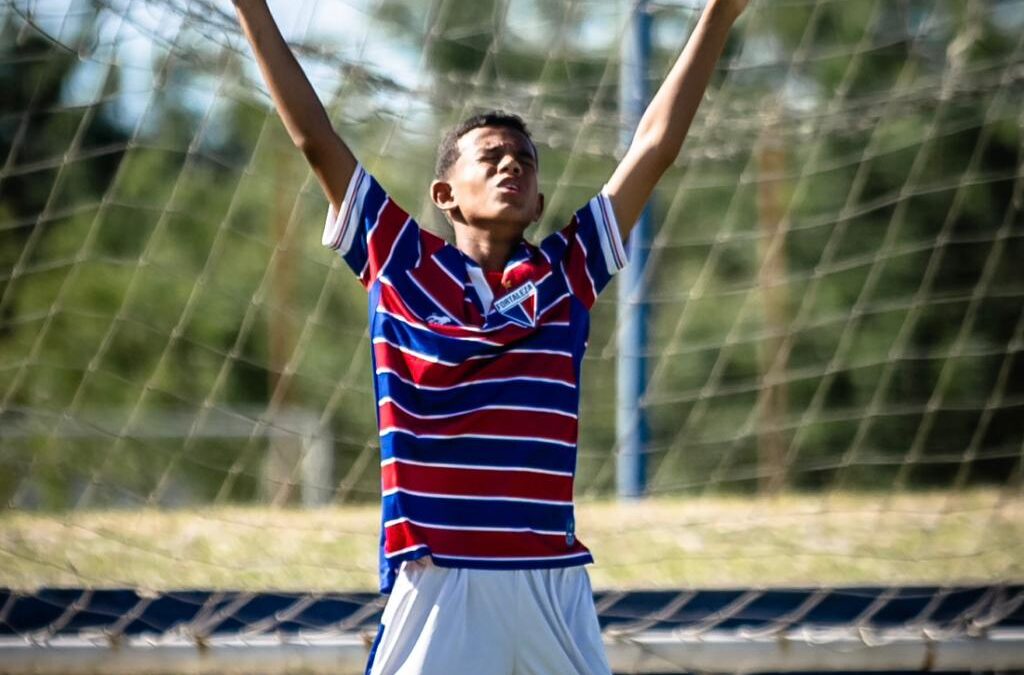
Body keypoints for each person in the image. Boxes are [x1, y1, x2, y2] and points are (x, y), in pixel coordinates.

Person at [232, 1, 748, 672]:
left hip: (548, 575)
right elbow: (314, 137)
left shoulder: (569, 270)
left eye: (525, 161)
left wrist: (719, 14)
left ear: (537, 204)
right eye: (492, 156)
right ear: (444, 193)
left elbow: (654, 145)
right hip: (439, 579)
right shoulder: (398, 260)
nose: (512, 167)